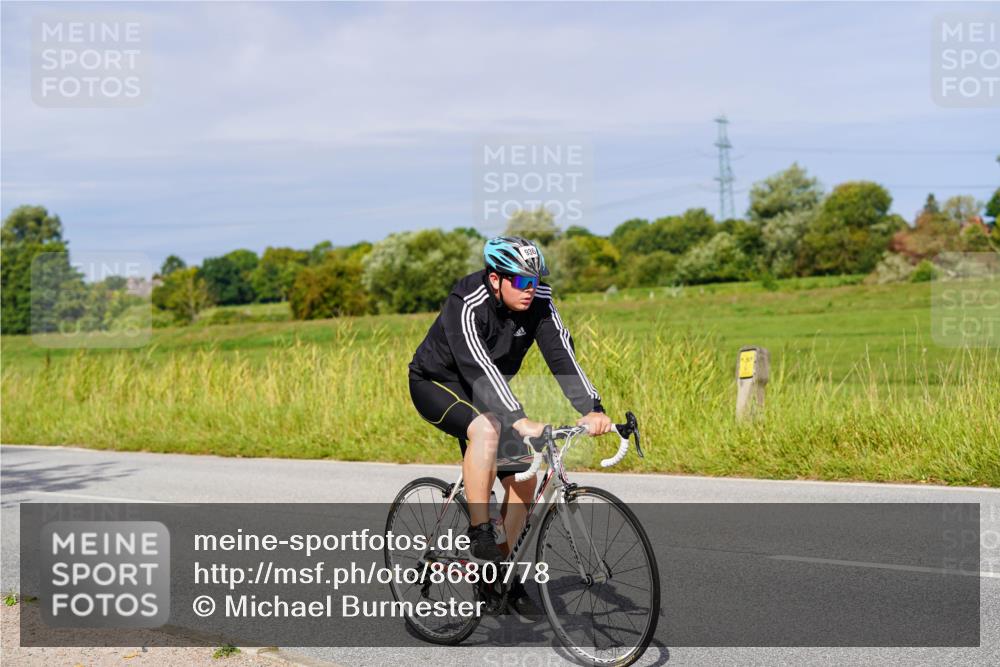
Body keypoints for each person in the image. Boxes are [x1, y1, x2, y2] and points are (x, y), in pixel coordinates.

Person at [408, 236, 611, 612]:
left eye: (535, 280)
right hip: (437, 382)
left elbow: (561, 355)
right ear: (495, 278)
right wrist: (518, 419)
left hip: (488, 390)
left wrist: (593, 408)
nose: (529, 289)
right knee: (486, 428)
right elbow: (478, 366)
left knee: (524, 479)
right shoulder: (467, 301)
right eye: (520, 281)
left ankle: (496, 575)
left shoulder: (540, 301)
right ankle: (480, 530)